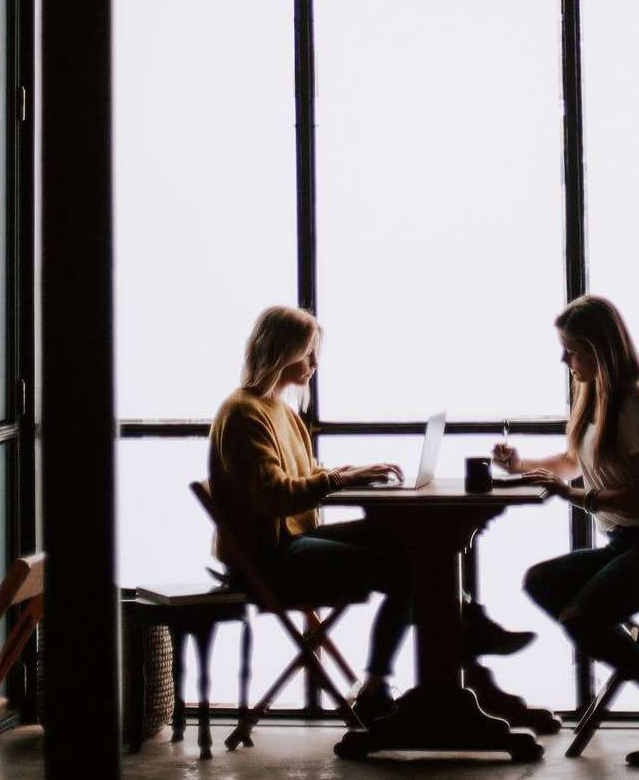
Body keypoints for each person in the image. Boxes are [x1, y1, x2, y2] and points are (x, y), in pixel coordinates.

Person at [208, 305, 532, 722]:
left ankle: (461, 641)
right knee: (409, 568)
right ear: (281, 351)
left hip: (287, 543)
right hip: (266, 559)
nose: (315, 363)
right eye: (308, 352)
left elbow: (302, 477)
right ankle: (414, 669)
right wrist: (340, 481)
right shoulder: (243, 413)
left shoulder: (280, 411)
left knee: (406, 540)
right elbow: (274, 496)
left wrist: (350, 473)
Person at [492, 295, 639, 767]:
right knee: (540, 581)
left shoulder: (638, 402)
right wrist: (520, 466)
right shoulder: (597, 399)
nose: (563, 359)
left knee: (581, 618)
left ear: (598, 348)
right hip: (627, 542)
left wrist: (568, 494)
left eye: (570, 349)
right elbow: (573, 464)